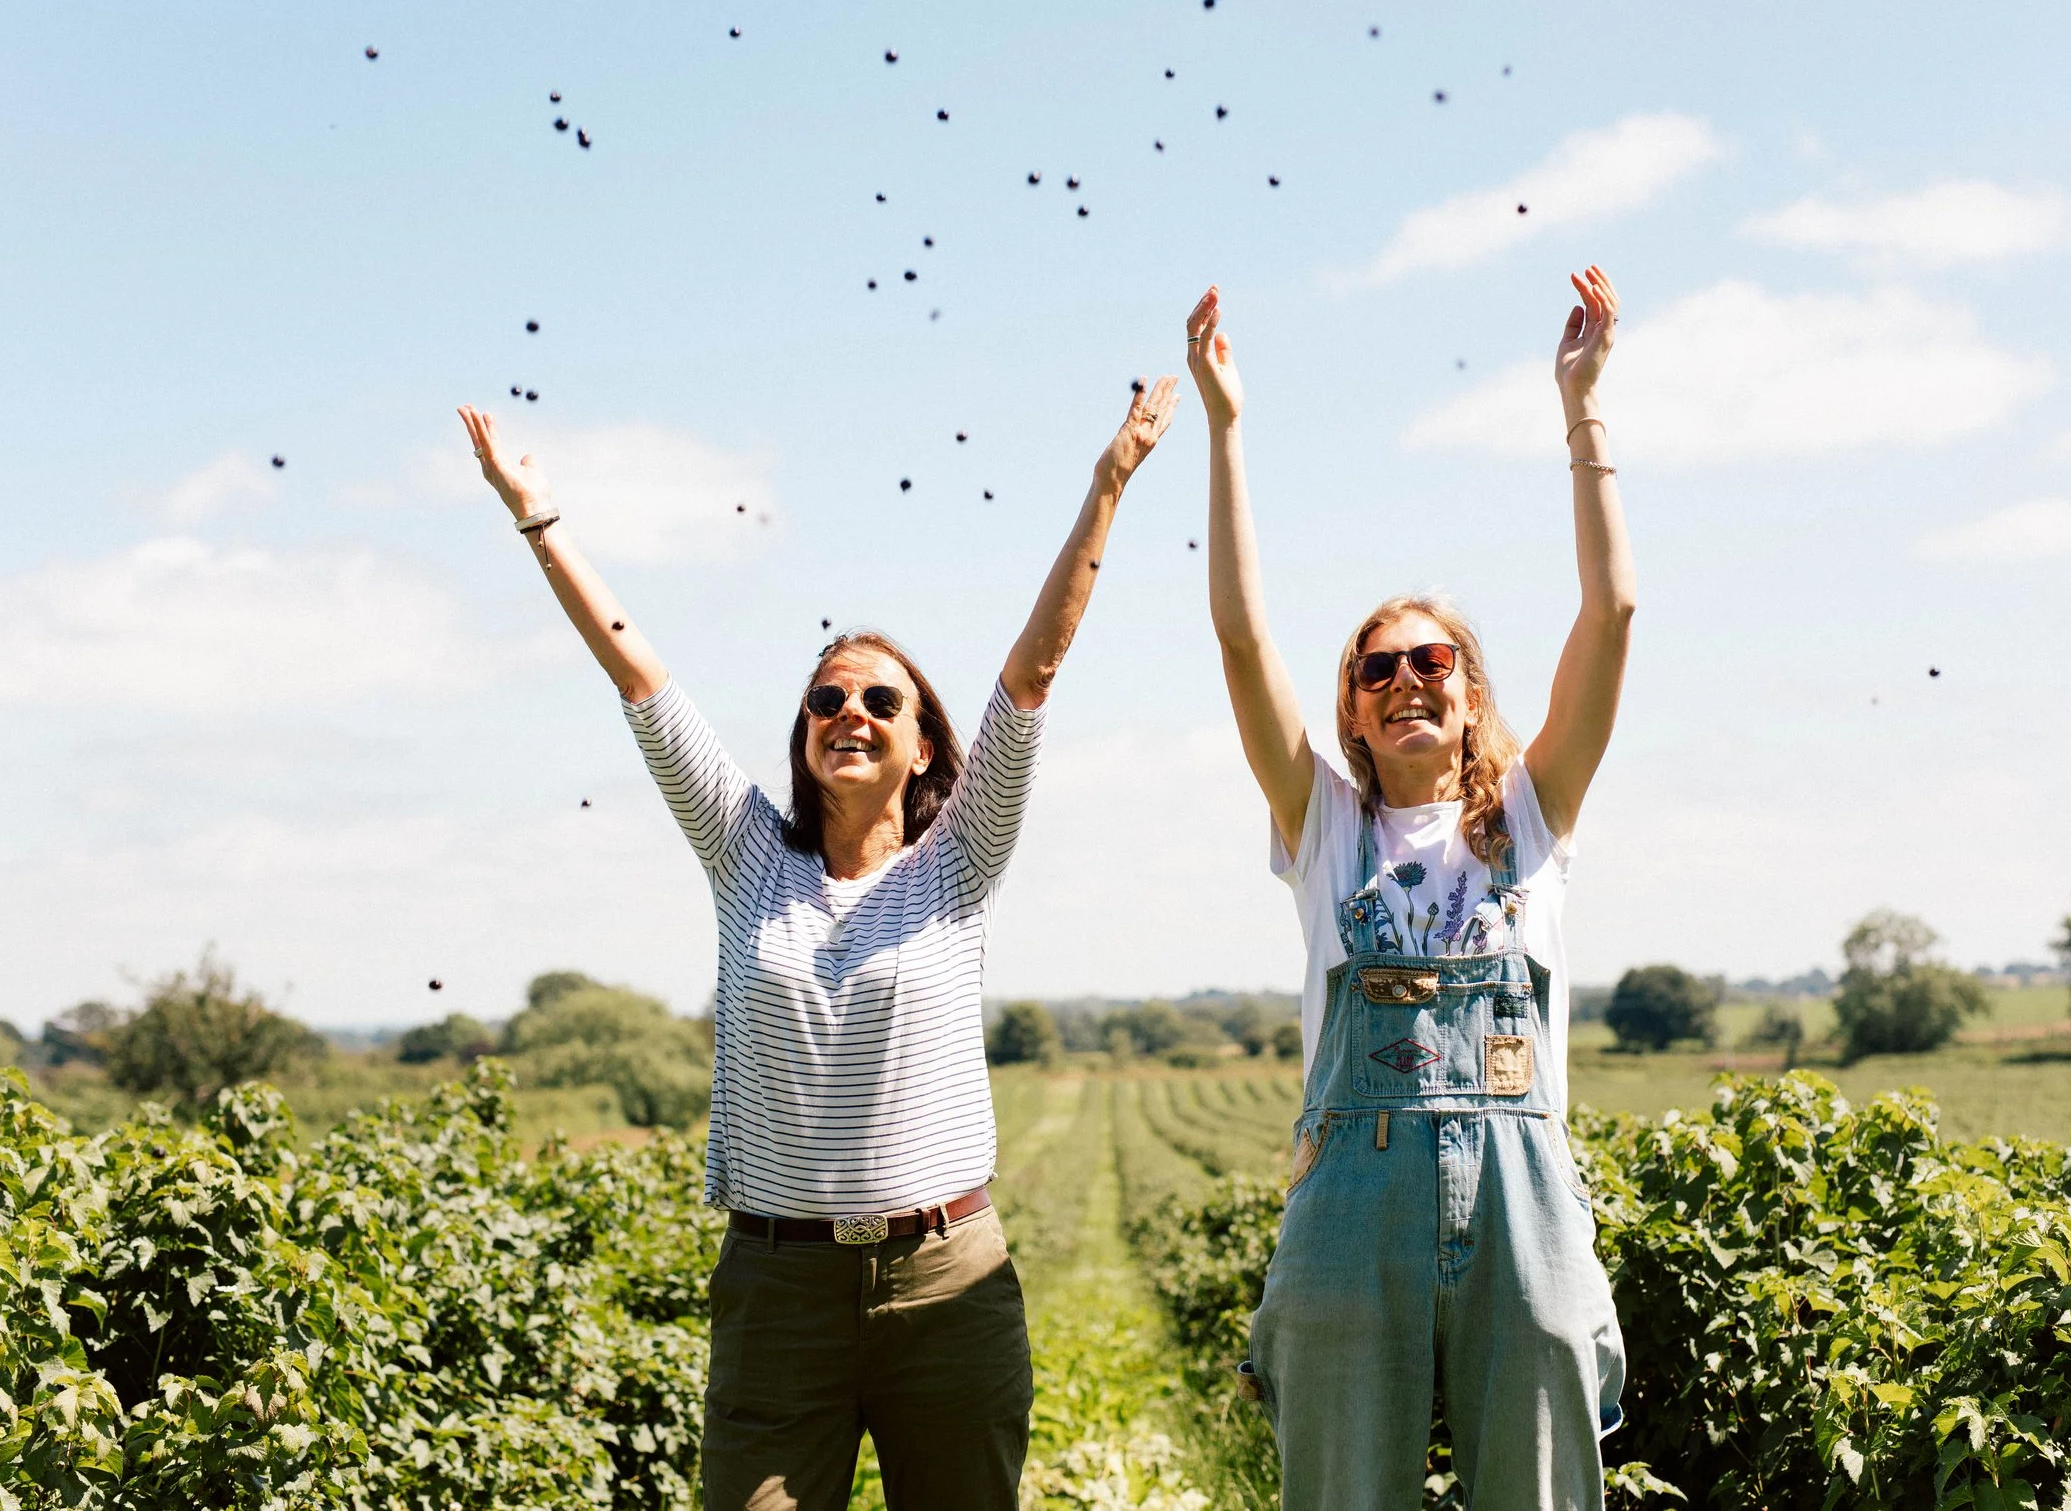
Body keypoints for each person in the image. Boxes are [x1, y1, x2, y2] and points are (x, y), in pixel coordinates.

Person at [456, 376, 1178, 1511]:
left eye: (881, 701)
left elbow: (1033, 673)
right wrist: (541, 521)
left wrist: (1109, 482)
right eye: (826, 696)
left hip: (946, 1275)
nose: (850, 711)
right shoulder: (747, 854)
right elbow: (641, 678)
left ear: (926, 744)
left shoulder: (957, 861)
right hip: (779, 1283)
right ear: (802, 730)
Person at [1185, 270, 1633, 1509]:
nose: (1406, 679)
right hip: (1352, 1206)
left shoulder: (1534, 818)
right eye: (1376, 668)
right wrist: (1226, 430)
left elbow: (1614, 609)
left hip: (1522, 1202)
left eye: (1434, 659)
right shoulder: (1324, 824)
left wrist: (1581, 412)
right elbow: (1240, 640)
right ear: (1353, 711)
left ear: (1470, 689)